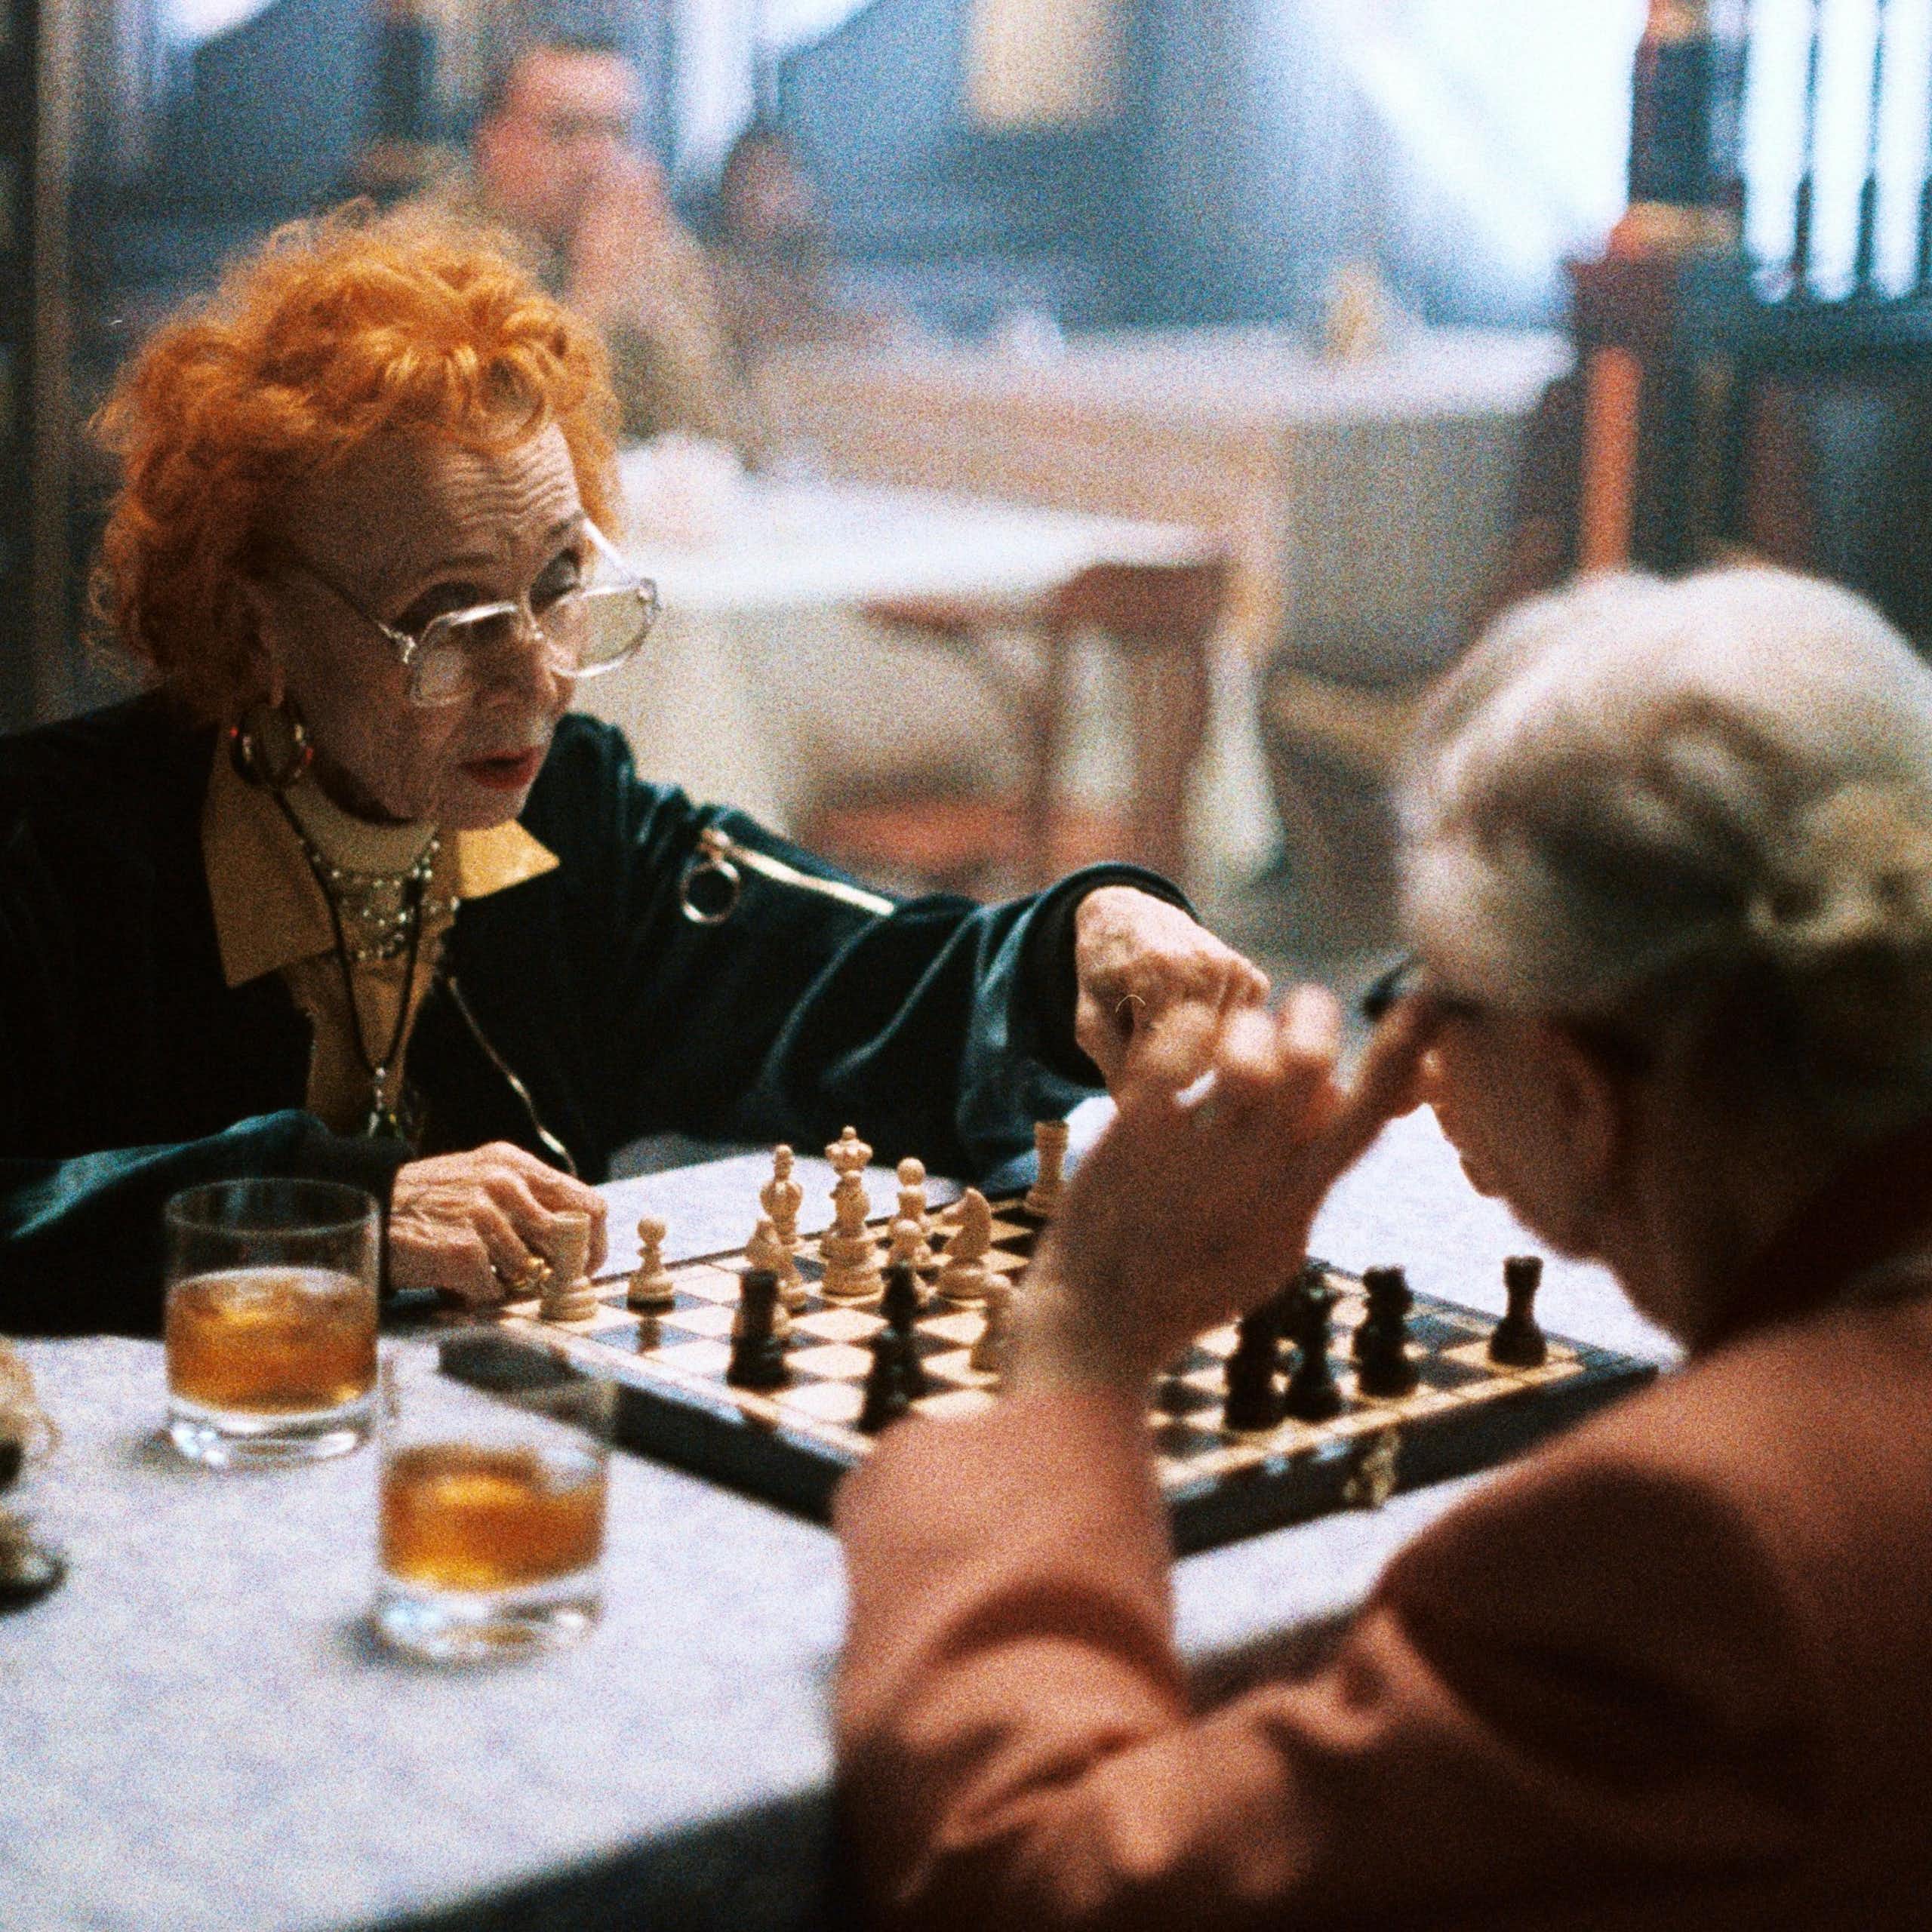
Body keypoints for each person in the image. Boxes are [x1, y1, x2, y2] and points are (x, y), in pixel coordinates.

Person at [835, 566, 1932, 1929]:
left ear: (1582, 1100)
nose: (1407, 1063)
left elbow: (1032, 1885)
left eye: (1434, 1003)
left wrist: (1084, 1337)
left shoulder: (1698, 1548)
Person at [0, 211, 1266, 1337]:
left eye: (557, 585)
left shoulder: (569, 821)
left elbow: (855, 985)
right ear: (256, 620)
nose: (538, 680)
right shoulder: (52, 854)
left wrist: (1073, 950)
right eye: (448, 619)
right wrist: (336, 1211)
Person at [416, 32, 764, 457]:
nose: (599, 158)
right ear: (492, 143)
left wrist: (651, 307)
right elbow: (498, 459)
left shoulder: (648, 237)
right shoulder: (427, 255)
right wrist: (595, 295)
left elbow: (722, 441)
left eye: (618, 131)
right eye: (565, 131)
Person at [708, 121, 899, 364]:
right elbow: (754, 325)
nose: (759, 195)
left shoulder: (796, 245)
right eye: (749, 179)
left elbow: (807, 308)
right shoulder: (711, 258)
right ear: (729, 185)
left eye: (775, 180)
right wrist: (839, 330)